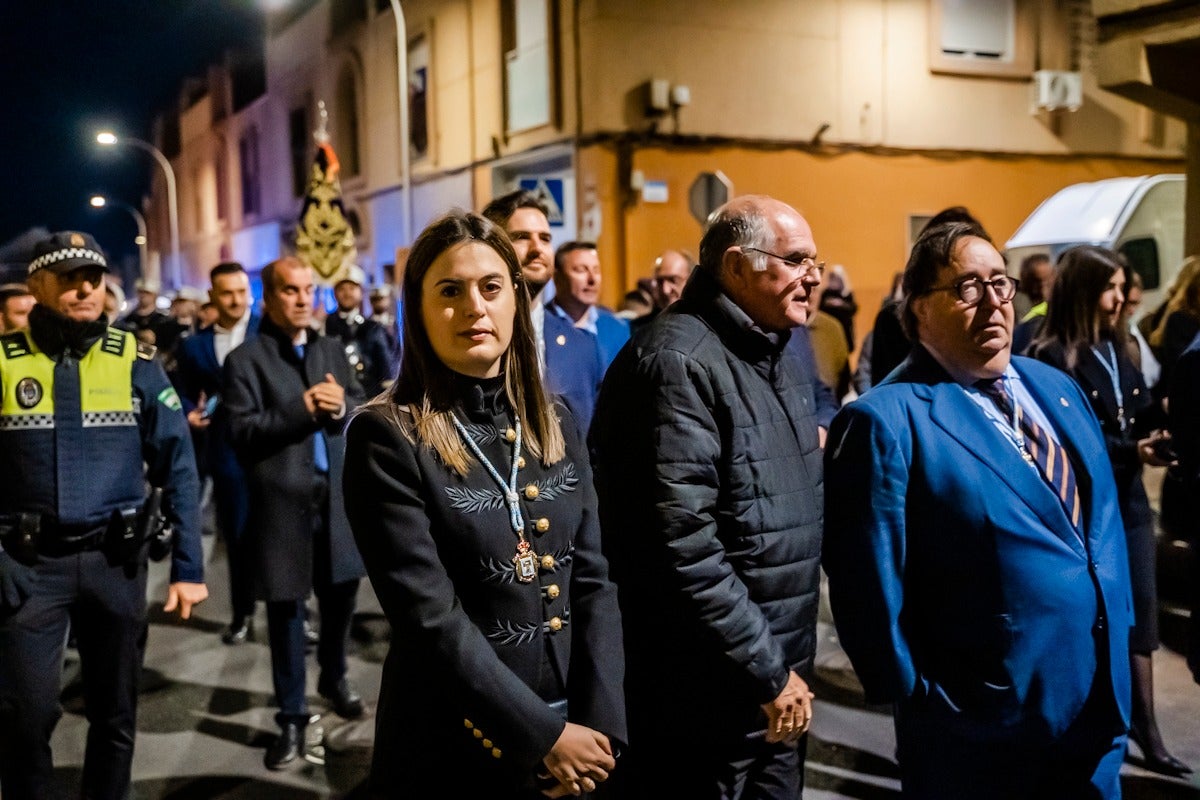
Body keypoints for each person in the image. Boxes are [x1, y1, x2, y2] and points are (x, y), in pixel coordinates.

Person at [824, 222, 1133, 799]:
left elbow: (1099, 530)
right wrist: (925, 699)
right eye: (967, 287)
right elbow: (867, 581)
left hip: (1095, 710)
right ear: (917, 313)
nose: (994, 302)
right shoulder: (886, 419)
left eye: (1000, 283)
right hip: (981, 730)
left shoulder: (1055, 385)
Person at [343, 211, 625, 797]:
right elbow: (429, 620)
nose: (474, 307)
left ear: (517, 301)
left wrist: (599, 728)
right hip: (455, 745)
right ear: (417, 311)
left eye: (491, 287)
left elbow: (595, 579)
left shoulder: (558, 422)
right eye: (450, 291)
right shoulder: (387, 436)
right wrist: (543, 737)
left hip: (577, 741)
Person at [591, 195, 824, 797]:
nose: (813, 277)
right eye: (796, 260)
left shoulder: (780, 351)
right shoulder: (676, 362)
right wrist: (768, 670)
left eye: (816, 262)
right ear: (738, 265)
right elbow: (682, 549)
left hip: (774, 685)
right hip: (705, 695)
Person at [0, 231, 207, 800]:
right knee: (25, 717)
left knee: (115, 715)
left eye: (92, 276)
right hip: (28, 568)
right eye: (68, 277)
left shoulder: (135, 363)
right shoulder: (3, 360)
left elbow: (179, 468)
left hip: (114, 562)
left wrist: (189, 566)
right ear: (36, 287)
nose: (85, 287)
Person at [1026, 245, 1189, 778]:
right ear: (1082, 290)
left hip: (1132, 503)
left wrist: (1157, 433)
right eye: (1111, 287)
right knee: (1095, 617)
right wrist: (1130, 450)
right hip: (1084, 509)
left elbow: (1135, 414)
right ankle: (1100, 726)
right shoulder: (1052, 358)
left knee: (1141, 614)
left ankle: (1147, 729)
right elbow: (1068, 445)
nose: (1122, 298)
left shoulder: (1121, 349)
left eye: (1122, 286)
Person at [224, 256, 367, 769]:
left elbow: (361, 406)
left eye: (310, 290)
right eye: (291, 291)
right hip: (281, 505)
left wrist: (345, 405)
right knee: (285, 613)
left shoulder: (331, 348)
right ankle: (291, 716)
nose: (304, 299)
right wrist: (303, 409)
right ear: (269, 297)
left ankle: (334, 674)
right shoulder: (246, 360)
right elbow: (241, 432)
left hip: (338, 501)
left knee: (342, 599)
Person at [175, 261, 261, 645]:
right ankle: (242, 613)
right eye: (227, 293)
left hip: (277, 449)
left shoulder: (268, 334)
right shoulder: (194, 347)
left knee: (288, 536)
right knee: (239, 539)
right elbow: (178, 390)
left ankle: (296, 613)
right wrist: (188, 412)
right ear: (212, 296)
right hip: (227, 454)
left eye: (242, 291)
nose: (236, 300)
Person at [482, 190, 603, 431]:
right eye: (522, 237)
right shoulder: (476, 337)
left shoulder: (582, 347)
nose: (537, 248)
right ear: (491, 247)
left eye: (545, 238)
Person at [548, 241, 630, 371]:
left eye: (596, 270)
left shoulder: (618, 328)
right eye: (581, 270)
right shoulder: (541, 325)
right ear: (557, 277)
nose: (592, 279)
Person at [325, 265, 394, 396]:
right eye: (342, 289)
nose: (347, 293)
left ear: (361, 292)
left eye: (352, 288)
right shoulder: (327, 325)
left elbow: (385, 366)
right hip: (338, 394)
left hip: (369, 395)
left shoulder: (373, 327)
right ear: (335, 293)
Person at [629, 248, 693, 337]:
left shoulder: (704, 326)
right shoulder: (638, 329)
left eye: (673, 280)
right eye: (660, 281)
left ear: (691, 280)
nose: (665, 290)